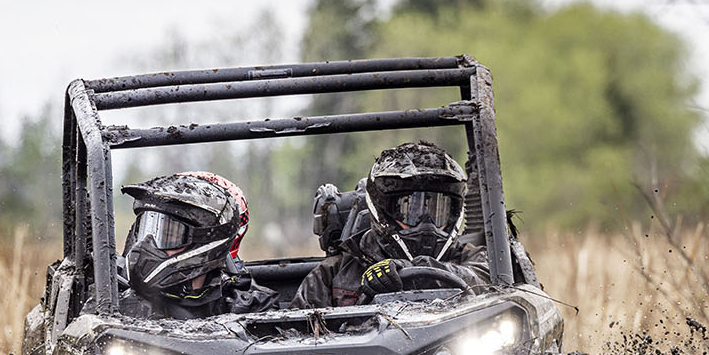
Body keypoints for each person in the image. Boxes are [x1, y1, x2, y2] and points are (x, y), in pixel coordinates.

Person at [291, 140, 492, 308]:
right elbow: (296, 338)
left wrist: (419, 269)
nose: (426, 224)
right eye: (409, 210)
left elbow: (493, 284)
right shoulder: (333, 273)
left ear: (453, 214)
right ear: (382, 211)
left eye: (437, 211)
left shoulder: (471, 258)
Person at [117, 171, 278, 319]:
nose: (147, 245)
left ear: (206, 241)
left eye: (169, 235)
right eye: (146, 229)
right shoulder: (115, 298)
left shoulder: (248, 309)